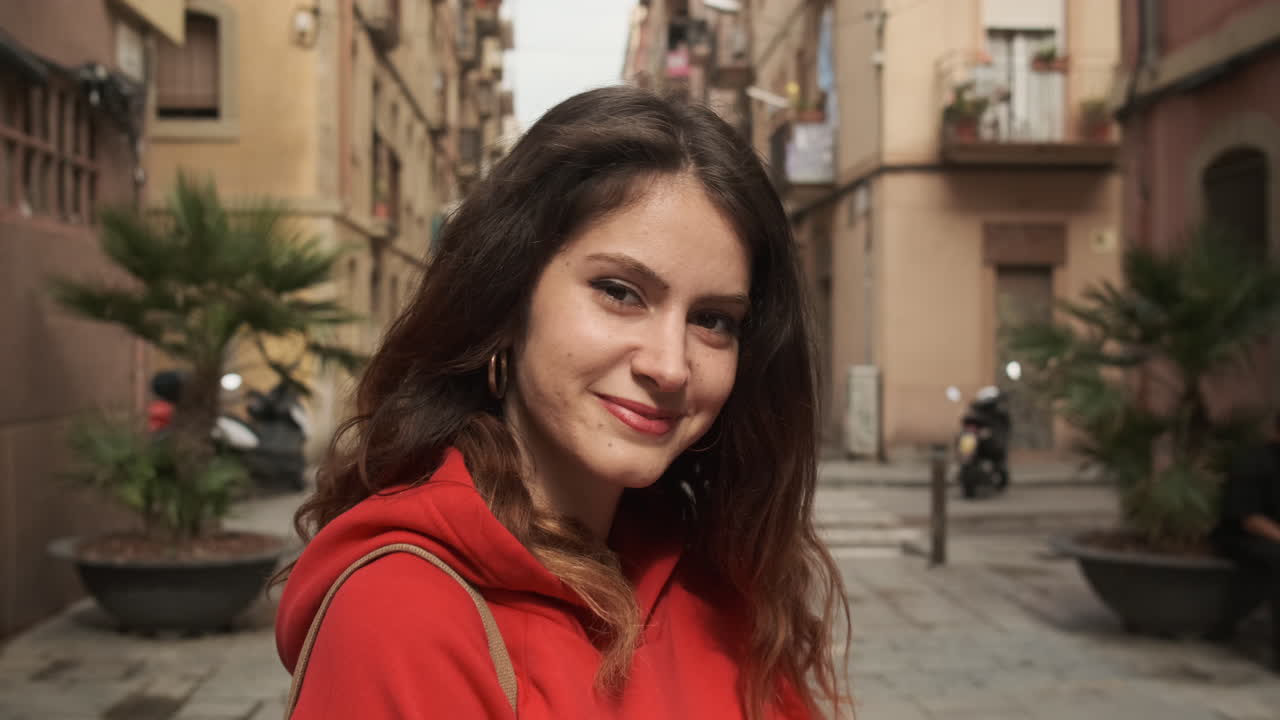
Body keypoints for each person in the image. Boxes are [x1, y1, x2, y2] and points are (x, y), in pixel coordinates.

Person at [274, 86, 851, 719]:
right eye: (620, 292)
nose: (669, 365)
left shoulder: (719, 579)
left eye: (713, 320)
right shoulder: (400, 613)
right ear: (508, 299)